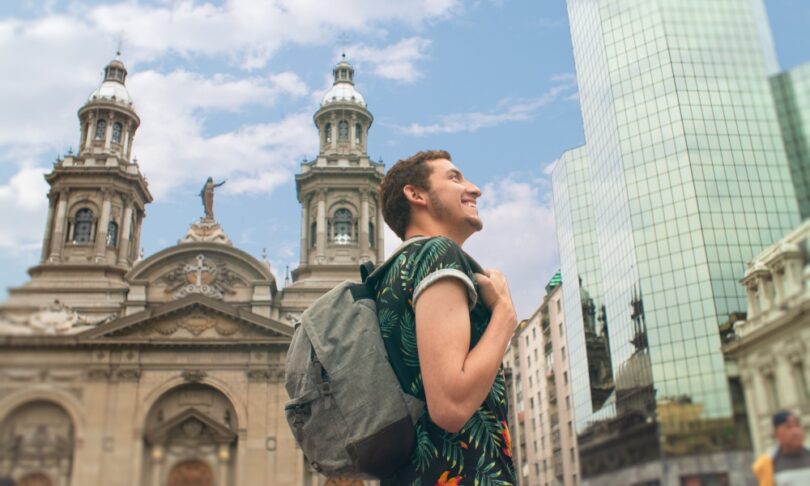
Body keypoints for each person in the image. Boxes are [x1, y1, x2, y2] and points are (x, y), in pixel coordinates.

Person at [377, 150, 516, 485]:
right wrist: (504, 315)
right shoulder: (439, 253)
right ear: (416, 194)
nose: (475, 189)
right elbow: (450, 407)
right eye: (454, 178)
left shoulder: (389, 276)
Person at [752, 410, 810, 486]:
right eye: (788, 427)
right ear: (776, 433)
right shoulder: (767, 464)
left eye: (797, 425)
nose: (795, 432)